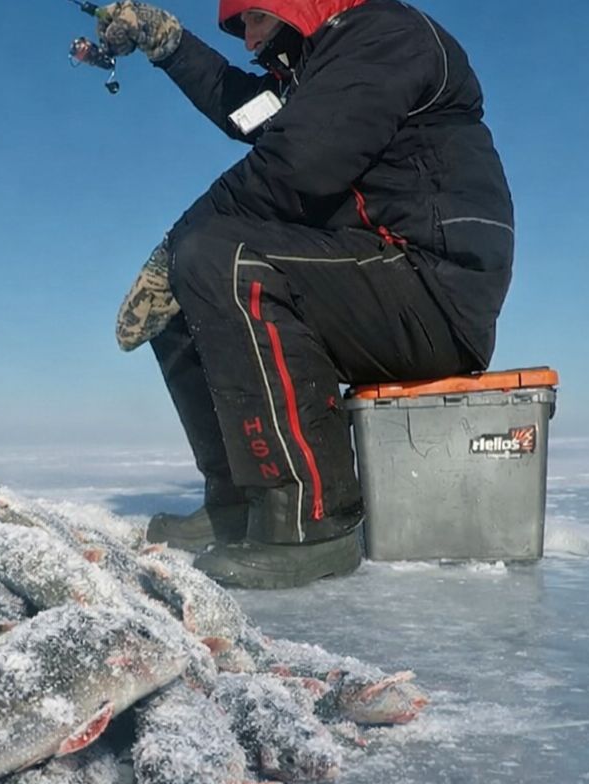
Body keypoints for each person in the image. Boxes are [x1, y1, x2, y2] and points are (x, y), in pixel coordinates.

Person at [97, 0, 514, 587]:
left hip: (430, 289)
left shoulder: (384, 37)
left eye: (256, 20)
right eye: (240, 28)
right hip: (372, 275)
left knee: (216, 258)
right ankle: (238, 502)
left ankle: (313, 519)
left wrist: (173, 246)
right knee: (187, 292)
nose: (248, 42)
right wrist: (166, 43)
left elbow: (300, 163)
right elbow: (249, 111)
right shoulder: (319, 67)